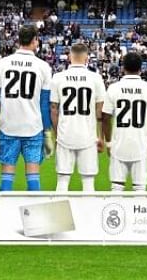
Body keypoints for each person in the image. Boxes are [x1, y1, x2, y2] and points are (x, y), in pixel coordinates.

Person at [0, 26, 53, 192]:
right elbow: (44, 103)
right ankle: (33, 216)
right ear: (35, 40)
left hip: (8, 126)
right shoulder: (43, 67)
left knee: (7, 175)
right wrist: (47, 131)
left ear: (18, 40)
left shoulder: (2, 64)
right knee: (33, 175)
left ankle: (4, 216)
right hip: (33, 127)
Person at [48, 43, 107, 191]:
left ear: (69, 57)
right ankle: (88, 214)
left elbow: (54, 109)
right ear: (87, 58)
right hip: (88, 136)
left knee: (62, 180)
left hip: (65, 134)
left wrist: (56, 134)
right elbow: (101, 110)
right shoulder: (95, 78)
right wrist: (101, 137)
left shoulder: (58, 78)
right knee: (88, 182)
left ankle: (60, 215)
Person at [102, 51, 147, 192]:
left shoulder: (113, 88)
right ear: (141, 68)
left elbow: (105, 117)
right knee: (140, 188)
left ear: (123, 68)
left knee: (116, 187)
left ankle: (116, 215)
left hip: (118, 144)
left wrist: (108, 142)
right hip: (141, 145)